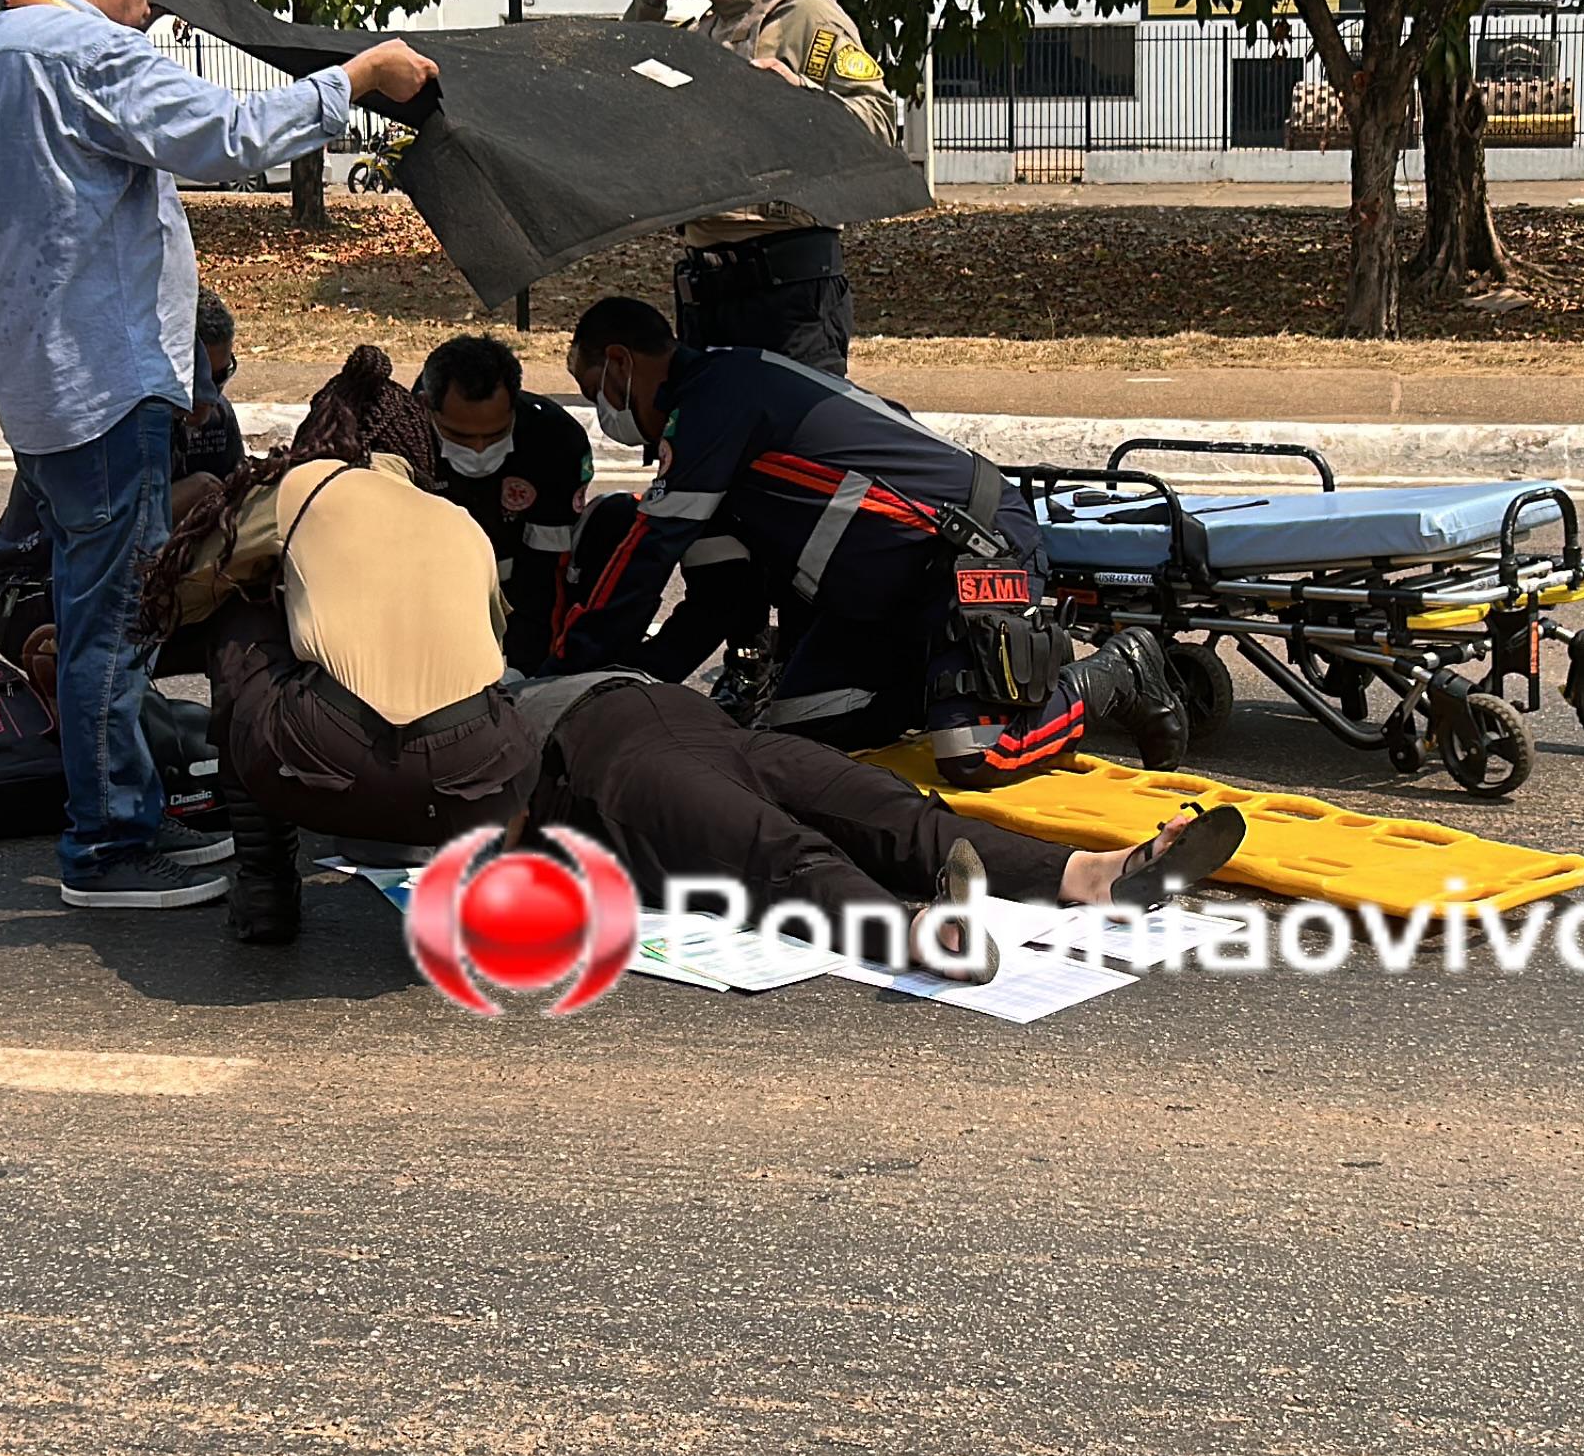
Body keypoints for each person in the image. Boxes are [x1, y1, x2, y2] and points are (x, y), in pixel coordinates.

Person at [0, 0, 436, 911]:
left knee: (100, 610)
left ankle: (120, 815)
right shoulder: (89, 52)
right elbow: (231, 138)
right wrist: (357, 76)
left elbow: (113, 90)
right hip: (105, 379)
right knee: (112, 623)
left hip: (43, 372)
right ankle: (110, 846)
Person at [548, 296, 1189, 786]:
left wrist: (567, 673)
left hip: (973, 550)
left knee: (977, 755)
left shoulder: (722, 397)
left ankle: (1119, 671)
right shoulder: (703, 436)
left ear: (620, 363)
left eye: (590, 389)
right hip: (882, 596)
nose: (601, 411)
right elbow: (717, 599)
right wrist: (634, 684)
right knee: (794, 735)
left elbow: (646, 555)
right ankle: (955, 688)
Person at [145, 348, 541, 945]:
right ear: (416, 444)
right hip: (477, 776)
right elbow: (493, 646)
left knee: (242, 612)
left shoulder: (304, 485)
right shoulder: (458, 518)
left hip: (325, 759)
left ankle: (266, 887)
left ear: (323, 429)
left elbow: (192, 587)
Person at [517, 668, 1246, 983]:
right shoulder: (478, 708)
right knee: (778, 853)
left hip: (708, 726)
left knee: (893, 813)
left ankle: (1094, 875)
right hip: (611, 763)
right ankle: (917, 933)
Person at [624, 0, 895, 374]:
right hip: (706, 298)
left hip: (788, 300)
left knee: (789, 450)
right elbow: (621, 94)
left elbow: (878, 123)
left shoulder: (806, 15)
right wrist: (648, 3)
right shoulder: (700, 32)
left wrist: (798, 97)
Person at [0, 288, 239, 691]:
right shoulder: (110, 421)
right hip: (35, 590)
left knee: (247, 616)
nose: (209, 399)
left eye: (221, 377)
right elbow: (98, 534)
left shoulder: (216, 421)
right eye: (195, 380)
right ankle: (78, 692)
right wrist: (184, 499)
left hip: (135, 577)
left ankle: (223, 739)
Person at [411, 334, 594, 672]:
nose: (479, 450)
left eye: (495, 434)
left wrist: (528, 668)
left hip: (518, 573)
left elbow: (545, 569)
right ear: (426, 407)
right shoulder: (398, 438)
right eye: (461, 436)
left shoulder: (554, 439)